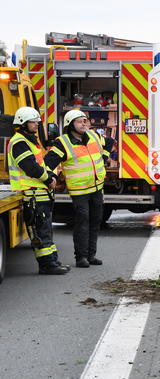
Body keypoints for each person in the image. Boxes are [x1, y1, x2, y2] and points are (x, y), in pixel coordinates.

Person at [44, 110, 114, 268]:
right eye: (79, 121)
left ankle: (91, 255)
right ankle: (81, 257)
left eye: (85, 120)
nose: (84, 123)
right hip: (79, 191)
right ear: (70, 125)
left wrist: (104, 157)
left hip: (97, 188)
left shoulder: (94, 136)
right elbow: (47, 163)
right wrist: (50, 177)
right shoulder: (63, 142)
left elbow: (109, 142)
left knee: (96, 220)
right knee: (83, 221)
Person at [8, 106, 69, 275]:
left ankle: (53, 261)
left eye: (37, 121)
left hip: (40, 194)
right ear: (22, 123)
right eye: (33, 122)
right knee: (41, 231)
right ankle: (47, 266)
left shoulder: (29, 141)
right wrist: (49, 179)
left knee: (46, 230)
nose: (37, 125)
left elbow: (40, 165)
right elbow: (30, 167)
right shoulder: (19, 142)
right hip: (33, 193)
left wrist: (50, 175)